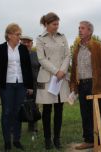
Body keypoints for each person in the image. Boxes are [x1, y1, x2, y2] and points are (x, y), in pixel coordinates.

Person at [70, 21, 101, 150]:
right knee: (85, 114)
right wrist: (73, 87)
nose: (80, 30)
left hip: (95, 84)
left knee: (97, 113)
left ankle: (98, 140)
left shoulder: (98, 47)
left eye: (83, 28)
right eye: (79, 28)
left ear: (90, 31)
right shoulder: (76, 50)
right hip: (82, 85)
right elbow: (74, 70)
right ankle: (88, 140)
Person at [0, 23, 33, 152]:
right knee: (7, 112)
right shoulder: (0, 48)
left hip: (21, 84)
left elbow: (28, 69)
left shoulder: (23, 49)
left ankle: (16, 140)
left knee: (18, 112)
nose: (19, 37)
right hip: (7, 85)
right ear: (9, 35)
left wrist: (30, 86)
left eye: (20, 34)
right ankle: (7, 142)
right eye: (17, 34)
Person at [36, 12, 70, 150]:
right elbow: (41, 59)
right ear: (46, 24)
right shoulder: (40, 39)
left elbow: (68, 55)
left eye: (58, 24)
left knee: (59, 109)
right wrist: (56, 71)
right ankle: (47, 139)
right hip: (48, 77)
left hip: (61, 78)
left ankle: (57, 138)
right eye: (54, 24)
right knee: (47, 110)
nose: (57, 26)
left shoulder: (62, 37)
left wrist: (62, 71)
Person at [20, 35, 40, 132]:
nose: (26, 44)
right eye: (24, 42)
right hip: (21, 85)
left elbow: (41, 69)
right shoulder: (17, 55)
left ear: (32, 44)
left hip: (35, 85)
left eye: (28, 42)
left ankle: (33, 127)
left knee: (34, 106)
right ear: (20, 43)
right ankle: (16, 127)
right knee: (19, 106)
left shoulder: (36, 55)